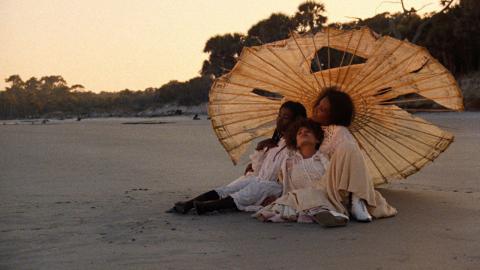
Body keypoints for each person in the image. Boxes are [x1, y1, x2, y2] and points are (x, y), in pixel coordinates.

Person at [170, 101, 307, 215]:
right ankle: (189, 204)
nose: (279, 120)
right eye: (279, 115)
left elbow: (293, 177)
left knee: (255, 189)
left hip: (275, 188)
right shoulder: (275, 143)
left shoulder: (297, 146)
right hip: (260, 179)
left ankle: (206, 207)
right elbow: (260, 170)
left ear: (297, 121)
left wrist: (280, 197)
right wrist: (260, 149)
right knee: (236, 185)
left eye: (285, 117)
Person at [310, 87, 397, 221]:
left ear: (334, 115)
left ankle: (357, 199)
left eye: (323, 110)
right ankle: (352, 201)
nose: (316, 110)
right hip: (313, 177)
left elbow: (344, 161)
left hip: (335, 179)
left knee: (348, 146)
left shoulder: (339, 131)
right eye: (318, 106)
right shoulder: (307, 127)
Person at [254, 118, 350, 227]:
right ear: (296, 143)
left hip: (324, 195)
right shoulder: (288, 163)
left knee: (313, 194)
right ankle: (319, 213)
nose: (303, 133)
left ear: (317, 140)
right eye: (299, 133)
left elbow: (333, 181)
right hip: (298, 197)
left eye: (308, 132)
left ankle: (323, 212)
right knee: (285, 202)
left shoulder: (325, 158)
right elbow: (285, 185)